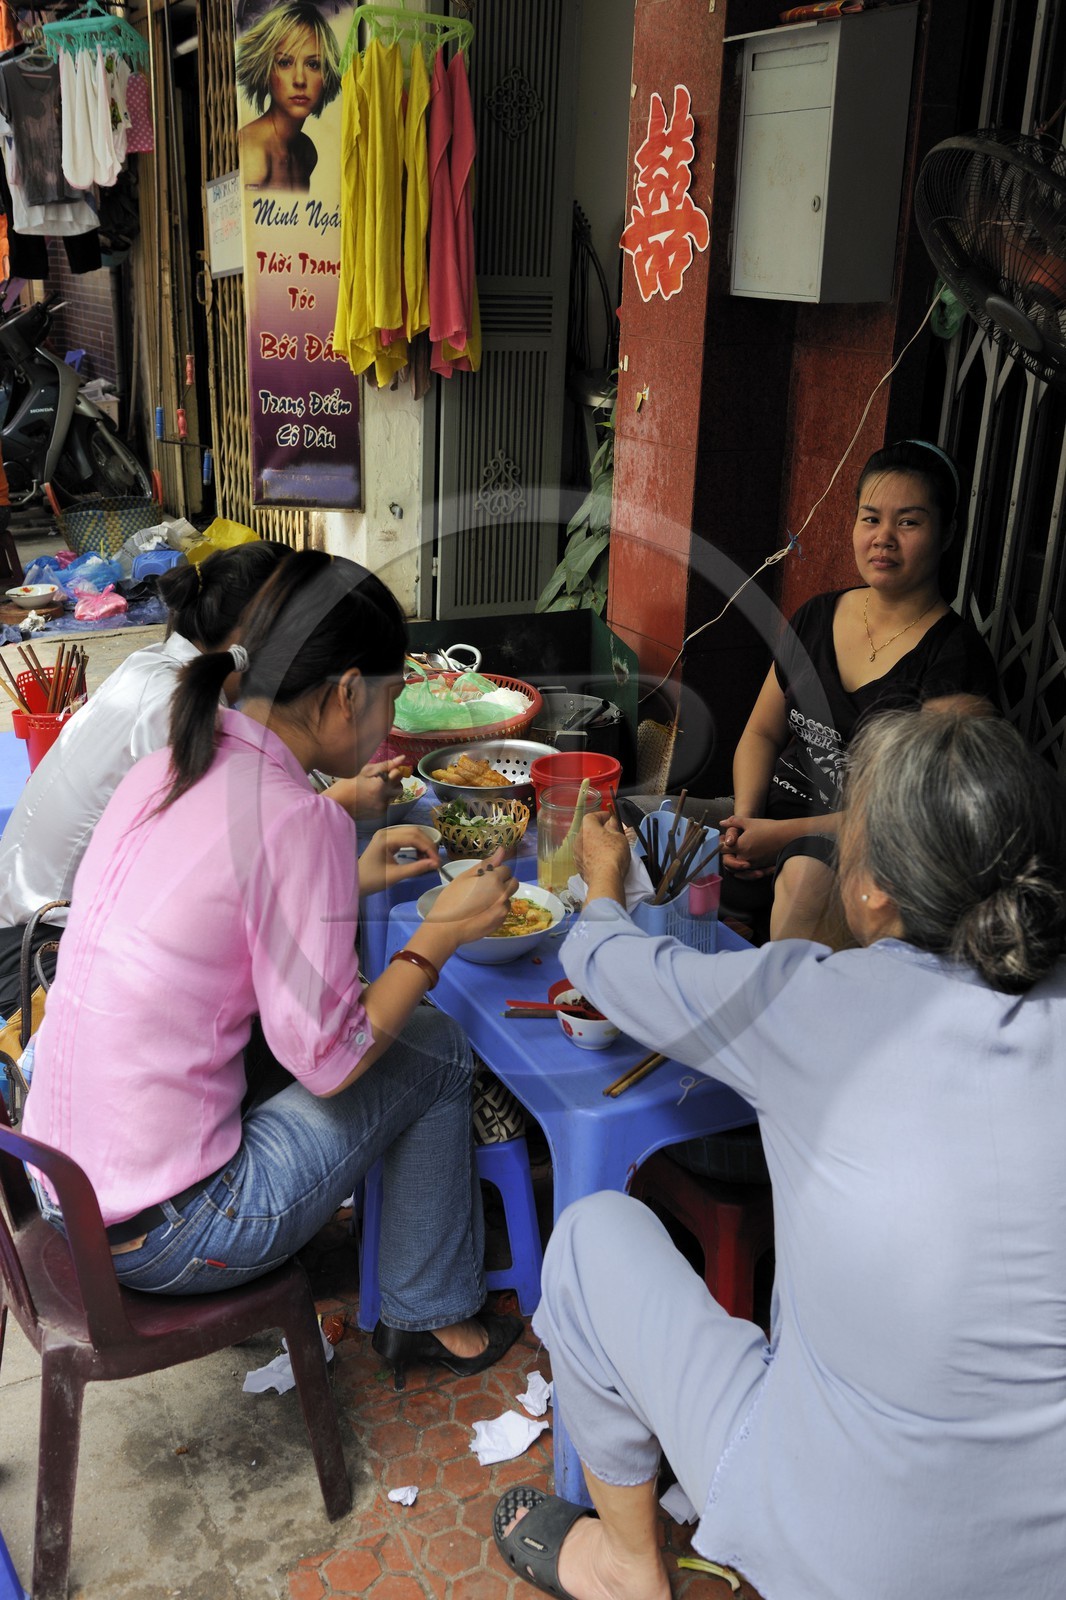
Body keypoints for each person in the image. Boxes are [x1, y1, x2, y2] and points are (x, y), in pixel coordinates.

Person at [493, 704, 1066, 1600]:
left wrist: (604, 881)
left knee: (590, 1238)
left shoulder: (816, 1002)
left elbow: (604, 963)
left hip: (844, 1552)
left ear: (873, 888)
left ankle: (625, 1569)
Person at [22, 551, 523, 1384]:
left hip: (62, 1191)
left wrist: (347, 876)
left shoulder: (168, 763)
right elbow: (327, 1063)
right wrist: (436, 936)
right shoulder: (297, 820)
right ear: (345, 692)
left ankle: (406, 1271)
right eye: (392, 703)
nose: (388, 729)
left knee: (366, 1026)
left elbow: (212, 912)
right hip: (171, 1237)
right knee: (433, 1047)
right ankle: (431, 1314)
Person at [719, 438, 998, 941]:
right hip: (772, 818)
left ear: (947, 533)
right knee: (639, 831)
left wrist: (781, 836)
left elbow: (917, 816)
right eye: (871, 518)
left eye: (909, 522)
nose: (884, 538)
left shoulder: (955, 662)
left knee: (806, 880)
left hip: (870, 849)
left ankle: (778, 1010)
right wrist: (745, 819)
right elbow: (761, 732)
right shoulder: (816, 615)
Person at [0, 541, 291, 1016]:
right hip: (38, 958)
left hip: (21, 916)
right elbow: (215, 875)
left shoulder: (152, 666)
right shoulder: (179, 708)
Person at [236, 0, 341, 191]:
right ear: (265, 69)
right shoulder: (253, 153)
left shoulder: (307, 153)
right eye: (284, 63)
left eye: (313, 64)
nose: (299, 79)